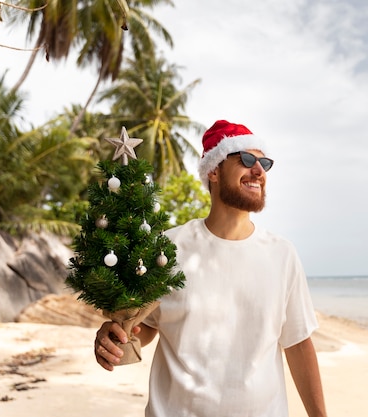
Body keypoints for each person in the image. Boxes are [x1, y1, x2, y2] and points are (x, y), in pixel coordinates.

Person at [94, 120, 328, 417]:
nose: (258, 171)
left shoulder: (282, 254)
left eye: (264, 163)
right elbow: (145, 326)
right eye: (246, 160)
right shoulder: (168, 249)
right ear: (214, 171)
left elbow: (298, 344)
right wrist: (113, 337)